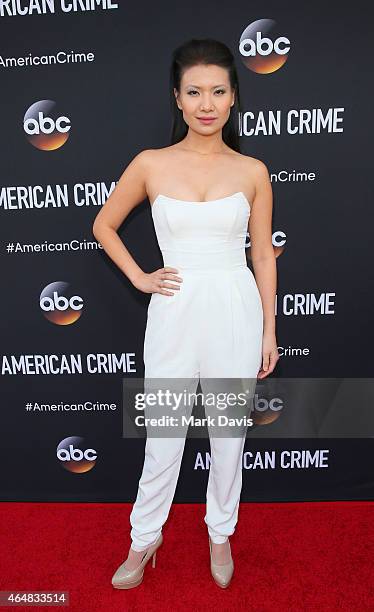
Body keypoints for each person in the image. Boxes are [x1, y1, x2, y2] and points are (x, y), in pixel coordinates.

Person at [92, 37, 279, 590]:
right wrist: (140, 277)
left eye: (218, 91)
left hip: (234, 310)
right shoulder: (150, 163)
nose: (206, 103)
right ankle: (144, 539)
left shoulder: (252, 170)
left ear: (233, 98)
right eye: (194, 91)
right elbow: (104, 225)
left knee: (228, 437)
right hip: (174, 310)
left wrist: (270, 329)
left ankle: (220, 532)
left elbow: (263, 253)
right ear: (177, 98)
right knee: (164, 435)